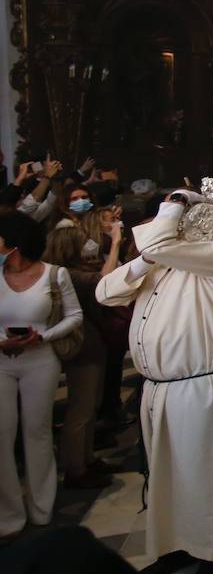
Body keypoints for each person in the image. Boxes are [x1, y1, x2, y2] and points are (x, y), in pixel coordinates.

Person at [95, 184, 213, 574]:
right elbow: (105, 292)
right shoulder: (161, 261)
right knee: (168, 476)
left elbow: (159, 242)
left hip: (205, 385)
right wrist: (141, 262)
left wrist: (173, 204)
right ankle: (175, 546)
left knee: (210, 475)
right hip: (160, 389)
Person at [0, 212, 83, 539]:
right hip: (2, 359)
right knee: (2, 435)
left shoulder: (54, 275)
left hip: (41, 359)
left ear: (13, 242)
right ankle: (8, 514)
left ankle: (41, 507)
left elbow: (75, 317)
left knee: (37, 431)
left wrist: (43, 336)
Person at [43, 221, 122, 489]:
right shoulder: (69, 275)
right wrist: (116, 244)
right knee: (82, 407)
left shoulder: (69, 272)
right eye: (83, 240)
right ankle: (76, 468)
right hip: (83, 348)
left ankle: (85, 458)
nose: (89, 243)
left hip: (90, 345)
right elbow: (105, 283)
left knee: (90, 404)